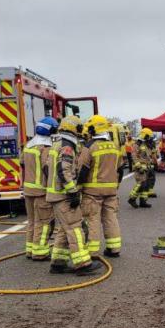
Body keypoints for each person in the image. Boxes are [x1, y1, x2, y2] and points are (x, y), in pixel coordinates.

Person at [46, 115, 99, 275]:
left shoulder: (56, 144)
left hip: (56, 195)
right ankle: (83, 264)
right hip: (64, 196)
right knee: (75, 228)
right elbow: (64, 171)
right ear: (74, 129)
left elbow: (49, 169)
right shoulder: (67, 146)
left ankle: (58, 263)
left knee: (65, 228)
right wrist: (73, 191)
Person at [77, 114, 123, 258]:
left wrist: (77, 188)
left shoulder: (89, 146)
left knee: (93, 220)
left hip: (92, 191)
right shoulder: (115, 146)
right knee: (111, 218)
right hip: (111, 190)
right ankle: (114, 248)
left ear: (93, 129)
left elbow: (82, 170)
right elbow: (120, 170)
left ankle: (92, 252)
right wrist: (115, 186)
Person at [21, 116, 56, 260]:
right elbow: (47, 168)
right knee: (43, 223)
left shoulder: (29, 145)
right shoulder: (45, 148)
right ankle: (40, 252)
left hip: (28, 190)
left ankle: (30, 250)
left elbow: (22, 163)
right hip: (41, 191)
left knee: (31, 221)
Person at [128, 128, 155, 208]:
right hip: (140, 168)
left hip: (147, 168)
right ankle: (132, 199)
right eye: (149, 136)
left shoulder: (145, 145)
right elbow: (134, 156)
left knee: (146, 186)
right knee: (141, 184)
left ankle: (143, 201)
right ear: (145, 136)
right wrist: (139, 166)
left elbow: (148, 157)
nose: (150, 138)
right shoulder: (137, 144)